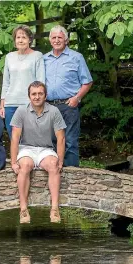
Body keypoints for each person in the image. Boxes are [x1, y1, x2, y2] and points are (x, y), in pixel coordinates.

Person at [10, 81, 66, 224]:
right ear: (29, 96)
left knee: (53, 166)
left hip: (45, 149)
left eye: (40, 93)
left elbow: (61, 138)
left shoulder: (54, 111)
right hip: (26, 148)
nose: (37, 97)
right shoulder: (21, 111)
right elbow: (15, 137)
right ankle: (23, 209)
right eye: (33, 94)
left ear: (45, 95)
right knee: (25, 166)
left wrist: (60, 160)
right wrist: (13, 161)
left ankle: (54, 209)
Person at [44, 25, 93, 167]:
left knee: (70, 140)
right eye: (54, 37)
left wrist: (77, 98)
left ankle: (73, 176)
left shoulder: (76, 57)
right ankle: (54, 173)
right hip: (49, 106)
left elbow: (87, 82)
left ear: (66, 40)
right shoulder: (44, 59)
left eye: (60, 37)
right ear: (49, 40)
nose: (57, 40)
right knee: (51, 141)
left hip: (68, 105)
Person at [0, 25, 45, 139]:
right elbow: (6, 82)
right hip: (10, 104)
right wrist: (2, 105)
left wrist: (39, 104)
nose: (20, 40)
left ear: (30, 39)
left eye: (24, 37)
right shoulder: (9, 57)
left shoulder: (37, 56)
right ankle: (16, 158)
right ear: (15, 40)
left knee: (30, 138)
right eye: (18, 37)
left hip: (29, 104)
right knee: (14, 138)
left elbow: (41, 82)